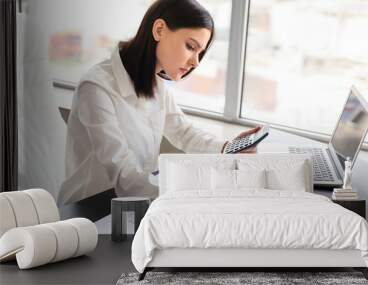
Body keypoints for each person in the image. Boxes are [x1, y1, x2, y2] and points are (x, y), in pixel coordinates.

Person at [58, 0, 260, 205]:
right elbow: (125, 176)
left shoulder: (155, 83)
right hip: (87, 211)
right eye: (191, 46)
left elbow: (184, 133)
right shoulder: (96, 88)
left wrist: (228, 148)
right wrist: (199, 185)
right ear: (160, 30)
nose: (196, 62)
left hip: (130, 204)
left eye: (200, 53)